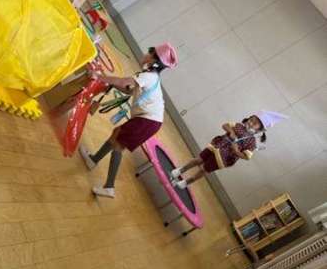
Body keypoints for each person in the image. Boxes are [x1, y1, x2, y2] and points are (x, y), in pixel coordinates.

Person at [79, 43, 179, 198]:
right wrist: (109, 82)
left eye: (150, 52)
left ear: (154, 61)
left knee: (118, 145)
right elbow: (128, 90)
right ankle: (93, 160)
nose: (146, 54)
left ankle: (109, 187)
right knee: (117, 134)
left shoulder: (148, 76)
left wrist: (99, 76)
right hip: (149, 120)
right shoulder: (149, 76)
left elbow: (125, 82)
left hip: (147, 121)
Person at [171, 111, 289, 188]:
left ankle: (186, 183)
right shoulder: (238, 126)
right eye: (252, 120)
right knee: (198, 159)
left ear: (260, 129)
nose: (252, 123)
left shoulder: (252, 142)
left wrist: (236, 151)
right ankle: (180, 171)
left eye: (256, 123)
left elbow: (247, 156)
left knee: (203, 169)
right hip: (216, 145)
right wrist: (231, 131)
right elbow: (225, 125)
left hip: (223, 158)